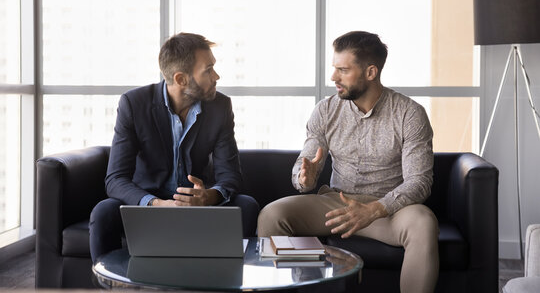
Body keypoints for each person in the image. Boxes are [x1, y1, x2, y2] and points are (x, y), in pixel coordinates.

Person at [257, 31, 439, 293]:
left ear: (370, 72)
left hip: (388, 210)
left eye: (343, 70)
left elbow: (419, 182)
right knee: (272, 215)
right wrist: (303, 177)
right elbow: (308, 159)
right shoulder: (326, 109)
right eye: (334, 69)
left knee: (423, 222)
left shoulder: (409, 113)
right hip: (337, 205)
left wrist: (375, 209)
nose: (333, 77)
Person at [89, 32, 260, 262]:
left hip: (198, 205)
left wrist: (208, 197)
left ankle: (225, 282)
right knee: (103, 212)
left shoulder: (220, 107)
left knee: (247, 206)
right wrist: (156, 204)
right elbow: (116, 179)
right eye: (208, 70)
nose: (216, 76)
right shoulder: (134, 104)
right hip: (150, 203)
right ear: (181, 79)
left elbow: (230, 176)